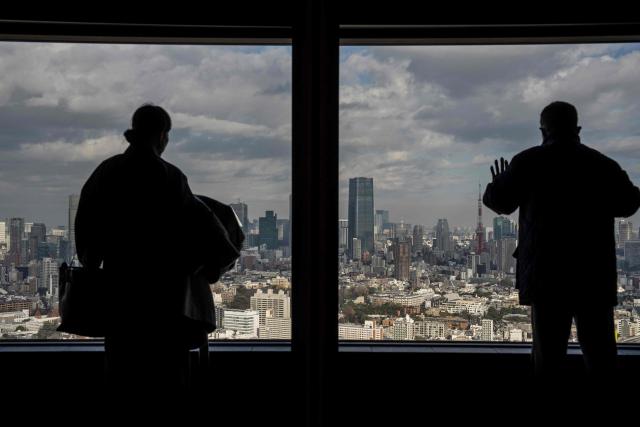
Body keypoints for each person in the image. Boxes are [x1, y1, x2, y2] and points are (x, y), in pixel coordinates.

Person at [75, 104, 239, 403]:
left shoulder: (107, 172)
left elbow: (87, 247)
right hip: (166, 303)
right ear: (163, 135)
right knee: (168, 385)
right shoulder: (170, 177)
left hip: (120, 301)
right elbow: (215, 237)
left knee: (121, 381)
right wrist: (208, 267)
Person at [483, 101, 640, 381]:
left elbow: (500, 203)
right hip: (592, 272)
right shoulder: (602, 164)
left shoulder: (528, 162)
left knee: (548, 357)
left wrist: (497, 184)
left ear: (543, 131)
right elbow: (628, 204)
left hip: (547, 274)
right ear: (577, 129)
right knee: (601, 355)